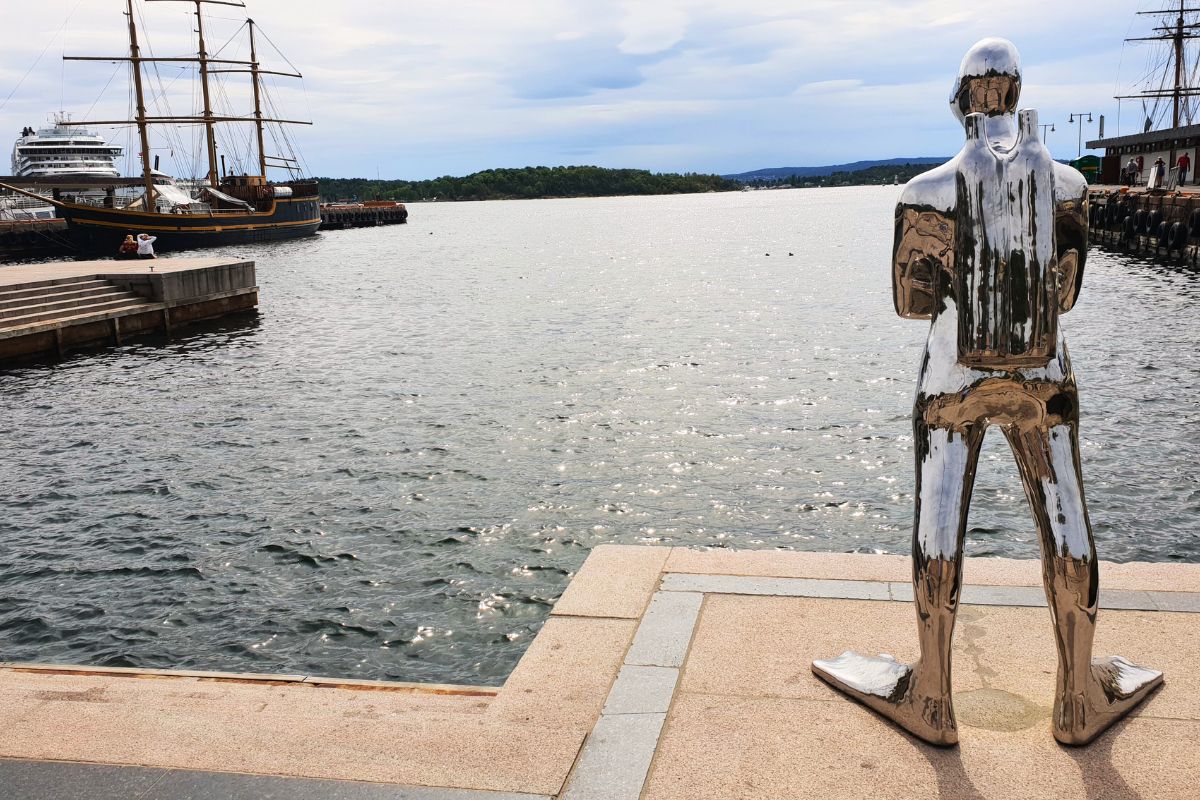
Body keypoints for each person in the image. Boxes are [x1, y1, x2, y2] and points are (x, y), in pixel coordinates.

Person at [813, 37, 1161, 747]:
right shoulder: (1068, 186)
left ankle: (933, 697)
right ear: (1016, 91)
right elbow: (1065, 290)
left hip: (952, 376)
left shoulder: (924, 193)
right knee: (1065, 515)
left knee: (939, 518)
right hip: (1045, 375)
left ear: (962, 98)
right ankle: (1077, 697)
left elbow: (911, 305)